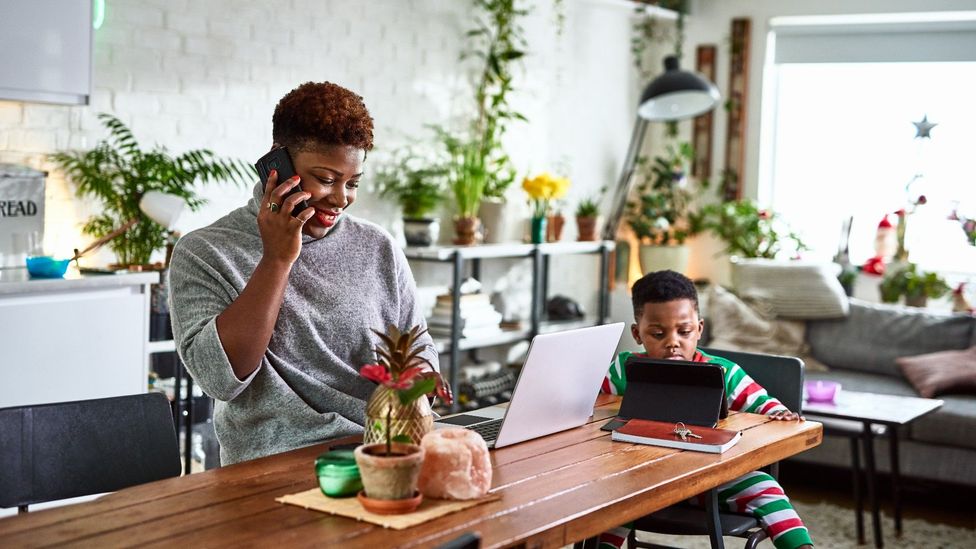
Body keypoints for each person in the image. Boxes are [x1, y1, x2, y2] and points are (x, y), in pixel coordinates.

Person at [168, 81, 437, 465]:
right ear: (278, 167)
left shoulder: (377, 246)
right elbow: (221, 379)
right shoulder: (206, 252)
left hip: (387, 448)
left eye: (353, 183)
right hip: (277, 464)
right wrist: (277, 259)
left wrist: (414, 389)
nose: (341, 198)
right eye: (326, 179)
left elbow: (418, 343)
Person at [598, 270, 814, 549]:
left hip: (710, 484)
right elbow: (591, 404)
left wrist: (779, 413)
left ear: (699, 329)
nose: (672, 341)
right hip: (641, 483)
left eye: (684, 331)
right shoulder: (623, 369)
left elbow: (767, 407)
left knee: (766, 488)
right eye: (658, 333)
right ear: (638, 334)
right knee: (605, 501)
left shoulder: (724, 372)